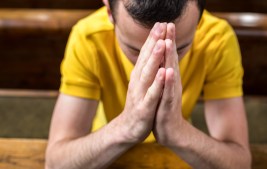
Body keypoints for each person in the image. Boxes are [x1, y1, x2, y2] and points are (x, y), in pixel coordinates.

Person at [45, 0, 251, 168]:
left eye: (177, 50)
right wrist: (127, 126)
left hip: (181, 148)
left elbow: (240, 162)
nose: (157, 65)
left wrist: (177, 132)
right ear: (109, 11)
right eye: (136, 50)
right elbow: (56, 162)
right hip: (106, 144)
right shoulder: (88, 38)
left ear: (200, 16)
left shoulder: (217, 39)